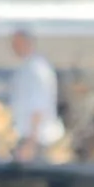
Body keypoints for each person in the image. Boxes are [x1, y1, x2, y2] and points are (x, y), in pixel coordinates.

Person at [8, 28, 66, 161]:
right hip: (31, 136)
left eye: (16, 43)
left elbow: (38, 106)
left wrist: (30, 143)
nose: (13, 48)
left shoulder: (36, 70)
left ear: (27, 43)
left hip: (39, 139)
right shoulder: (29, 67)